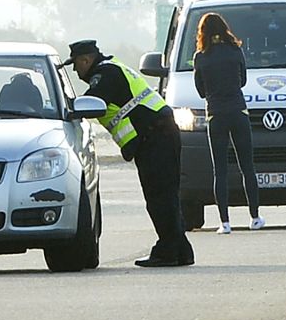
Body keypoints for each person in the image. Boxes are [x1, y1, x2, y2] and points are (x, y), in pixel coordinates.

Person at [66, 38, 193, 267]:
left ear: (85, 60)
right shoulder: (112, 67)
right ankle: (180, 251)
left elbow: (92, 101)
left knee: (159, 197)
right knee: (166, 195)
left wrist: (66, 108)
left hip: (155, 136)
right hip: (159, 133)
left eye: (75, 65)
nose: (76, 71)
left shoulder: (105, 74)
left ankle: (167, 252)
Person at [191, 11, 263, 234]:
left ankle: (225, 222)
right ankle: (255, 217)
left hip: (215, 114)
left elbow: (200, 90)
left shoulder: (201, 57)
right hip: (238, 111)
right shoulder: (235, 51)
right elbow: (243, 80)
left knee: (220, 171)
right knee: (247, 167)